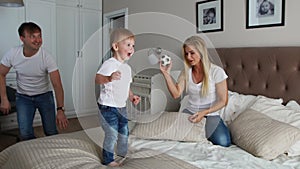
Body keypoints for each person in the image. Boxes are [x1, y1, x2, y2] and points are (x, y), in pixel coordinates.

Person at [0, 22, 68, 141]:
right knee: (25, 134)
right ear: (22, 38)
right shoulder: (13, 53)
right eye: (33, 36)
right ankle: (32, 157)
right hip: (23, 97)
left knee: (51, 131)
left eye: (39, 36)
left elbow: (57, 85)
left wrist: (60, 109)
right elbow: (1, 73)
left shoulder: (47, 57)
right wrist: (4, 99)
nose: (38, 40)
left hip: (45, 96)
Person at [160, 35, 231, 147]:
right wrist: (166, 74)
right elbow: (176, 94)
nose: (188, 57)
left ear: (201, 52)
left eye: (192, 53)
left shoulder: (217, 72)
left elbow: (223, 101)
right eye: (186, 54)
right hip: (190, 113)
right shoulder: (186, 72)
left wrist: (203, 113)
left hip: (210, 114)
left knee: (224, 142)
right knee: (178, 140)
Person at [95, 28, 140, 167]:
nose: (131, 48)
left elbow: (127, 86)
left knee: (124, 131)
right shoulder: (110, 64)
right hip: (108, 107)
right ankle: (108, 160)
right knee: (112, 133)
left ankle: (122, 153)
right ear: (115, 47)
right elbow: (97, 78)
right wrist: (109, 77)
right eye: (128, 45)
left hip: (122, 107)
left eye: (133, 46)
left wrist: (132, 96)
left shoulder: (127, 68)